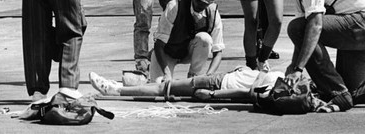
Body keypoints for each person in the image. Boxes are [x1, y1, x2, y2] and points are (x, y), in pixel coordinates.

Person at [150, 0, 224, 82]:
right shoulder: (174, 6)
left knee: (205, 39)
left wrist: (208, 76)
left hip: (189, 51)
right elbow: (159, 45)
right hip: (167, 53)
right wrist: (166, 74)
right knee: (159, 87)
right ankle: (151, 69)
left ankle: (194, 75)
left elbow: (218, 51)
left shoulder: (213, 14)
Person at [89, 67, 284, 101]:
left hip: (219, 84)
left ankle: (115, 89)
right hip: (224, 79)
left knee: (163, 88)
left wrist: (213, 95)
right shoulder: (284, 80)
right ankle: (118, 87)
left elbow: (246, 92)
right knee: (165, 86)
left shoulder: (278, 89)